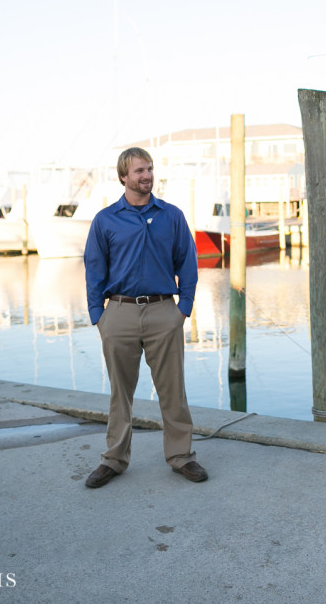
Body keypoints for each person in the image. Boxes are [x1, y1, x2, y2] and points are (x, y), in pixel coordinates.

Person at [83, 147, 207, 488]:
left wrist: (183, 309)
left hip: (164, 311)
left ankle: (181, 456)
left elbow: (188, 263)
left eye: (149, 169)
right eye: (139, 170)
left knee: (173, 390)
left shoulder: (172, 216)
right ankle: (114, 459)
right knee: (119, 392)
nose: (146, 175)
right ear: (123, 176)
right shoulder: (106, 220)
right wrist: (99, 316)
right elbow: (94, 268)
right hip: (119, 312)